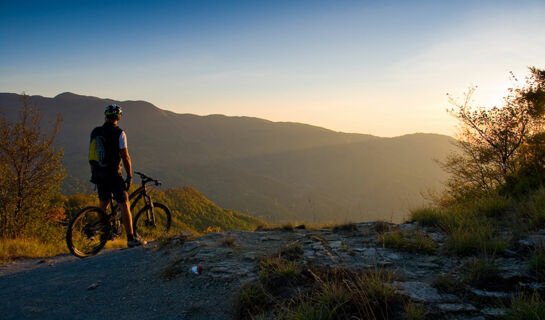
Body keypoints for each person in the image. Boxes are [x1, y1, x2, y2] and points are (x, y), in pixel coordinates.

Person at [89, 104, 145, 247]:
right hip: (113, 174)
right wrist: (129, 176)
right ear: (118, 118)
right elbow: (125, 157)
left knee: (104, 203)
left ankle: (102, 234)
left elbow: (92, 155)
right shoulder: (120, 133)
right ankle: (131, 238)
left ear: (106, 116)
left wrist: (94, 172)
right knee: (124, 203)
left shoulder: (95, 132)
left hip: (98, 173)